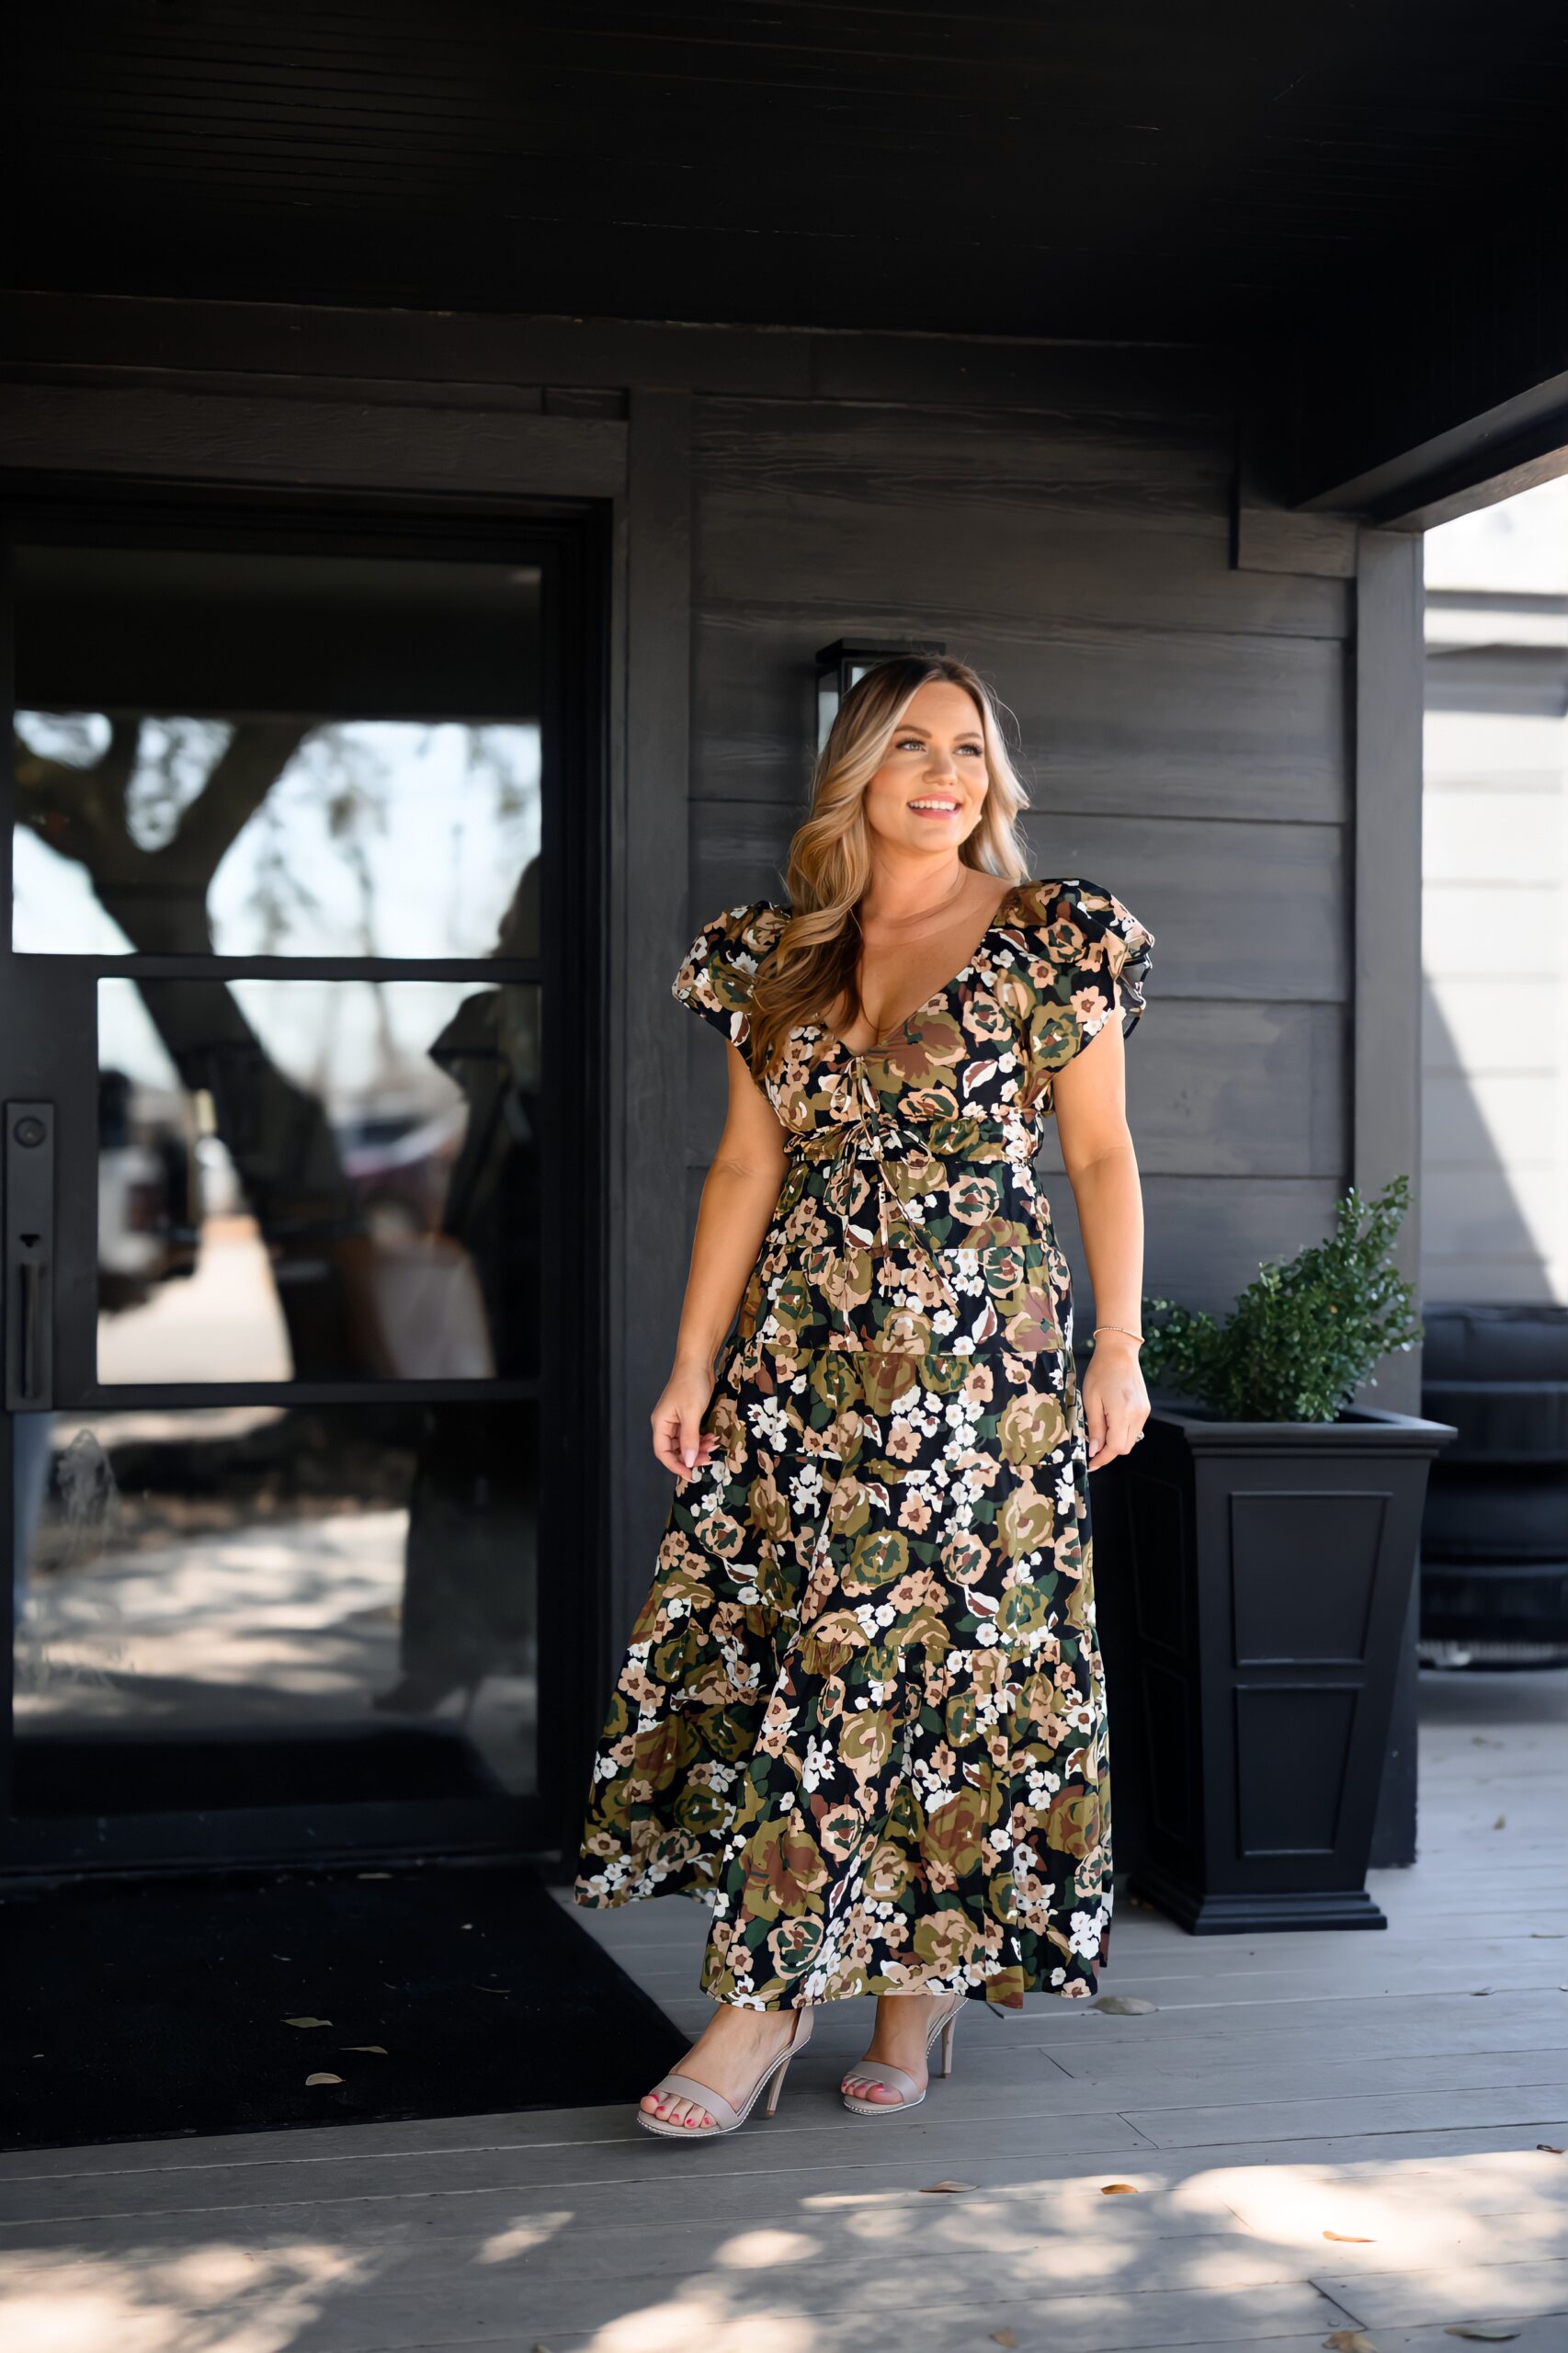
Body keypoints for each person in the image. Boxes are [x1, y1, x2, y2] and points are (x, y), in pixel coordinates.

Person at [574, 655, 1155, 2139]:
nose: (944, 773)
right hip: (802, 1359)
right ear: (855, 770)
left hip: (977, 1367)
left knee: (925, 1655)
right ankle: (858, 1987)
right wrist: (693, 1360)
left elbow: (1097, 1154)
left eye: (967, 747)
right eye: (909, 744)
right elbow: (743, 1168)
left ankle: (790, 2003)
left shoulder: (1054, 934)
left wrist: (1116, 1345)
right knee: (816, 1650)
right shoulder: (767, 956)